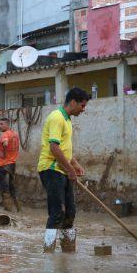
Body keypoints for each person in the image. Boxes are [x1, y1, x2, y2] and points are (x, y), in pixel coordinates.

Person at [38, 87, 89, 253]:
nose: (83, 109)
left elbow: (65, 149)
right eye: (82, 105)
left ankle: (68, 252)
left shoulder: (67, 120)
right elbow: (54, 147)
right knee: (57, 212)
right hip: (52, 169)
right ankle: (48, 253)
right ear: (73, 102)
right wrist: (70, 170)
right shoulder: (57, 118)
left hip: (62, 169)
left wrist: (75, 165)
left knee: (70, 212)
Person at [0, 117, 21, 212]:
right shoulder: (15, 134)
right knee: (11, 185)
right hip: (12, 163)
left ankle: (8, 208)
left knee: (4, 186)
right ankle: (18, 207)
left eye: (1, 124)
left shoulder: (5, 134)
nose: (0, 126)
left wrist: (3, 149)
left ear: (7, 124)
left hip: (3, 164)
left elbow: (5, 143)